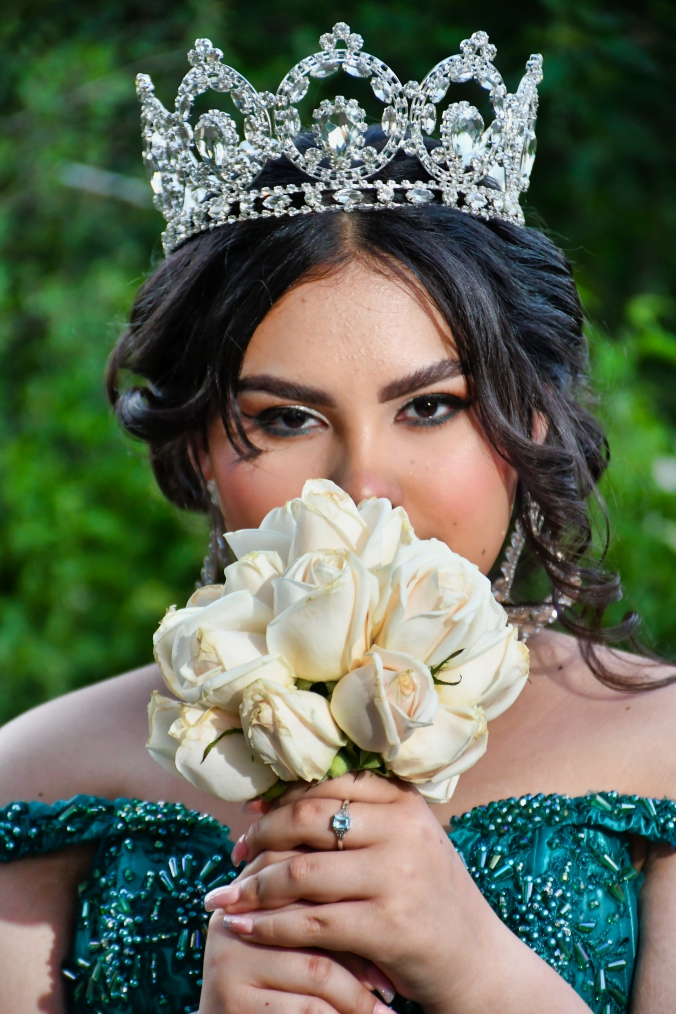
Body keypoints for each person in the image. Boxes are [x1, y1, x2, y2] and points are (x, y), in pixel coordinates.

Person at [1, 24, 676, 1014]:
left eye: (429, 407)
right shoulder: (37, 774)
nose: (364, 488)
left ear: (528, 419)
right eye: (284, 418)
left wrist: (474, 969)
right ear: (197, 449)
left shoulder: (660, 739)